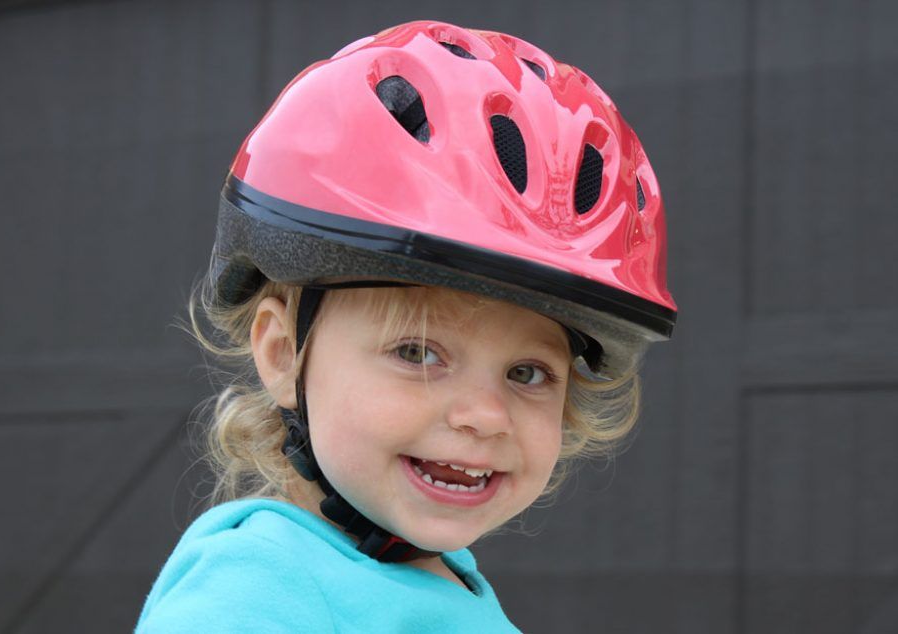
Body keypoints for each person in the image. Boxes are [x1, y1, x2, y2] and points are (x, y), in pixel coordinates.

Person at [135, 19, 677, 633]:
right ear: (285, 351)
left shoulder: (436, 584)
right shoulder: (255, 592)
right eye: (418, 353)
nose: (486, 415)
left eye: (528, 373)